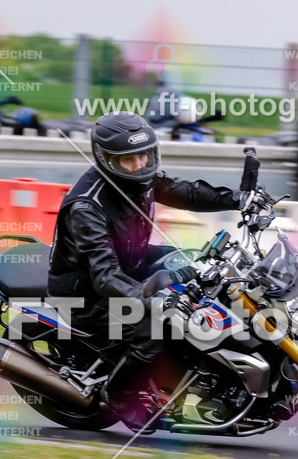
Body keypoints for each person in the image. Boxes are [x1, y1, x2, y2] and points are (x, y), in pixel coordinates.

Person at [47, 111, 242, 429]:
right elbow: (105, 276)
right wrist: (151, 299)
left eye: (144, 156)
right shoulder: (87, 207)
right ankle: (121, 395)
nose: (139, 165)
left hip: (132, 262)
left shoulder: (142, 178)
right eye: (129, 160)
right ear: (107, 160)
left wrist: (237, 199)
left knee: (197, 263)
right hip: (86, 295)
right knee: (158, 322)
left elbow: (185, 191)